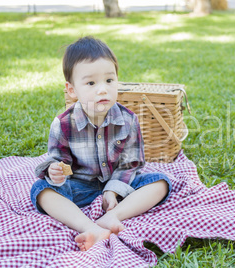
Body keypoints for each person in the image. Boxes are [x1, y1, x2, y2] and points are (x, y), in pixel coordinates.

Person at [30, 36, 171, 251]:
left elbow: (131, 164)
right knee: (41, 189)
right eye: (91, 83)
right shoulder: (63, 124)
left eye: (109, 80)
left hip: (119, 184)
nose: (102, 89)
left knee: (160, 182)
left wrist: (112, 191)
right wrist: (54, 171)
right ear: (72, 90)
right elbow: (58, 160)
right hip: (80, 186)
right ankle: (88, 227)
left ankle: (113, 216)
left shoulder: (129, 120)